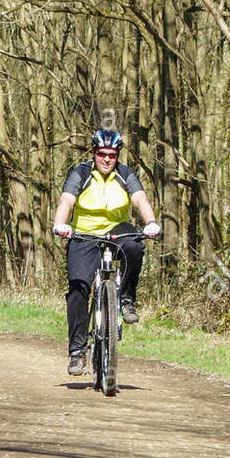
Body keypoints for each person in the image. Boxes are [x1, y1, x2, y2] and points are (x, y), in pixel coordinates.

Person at [51, 129, 160, 375]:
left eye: (112, 154)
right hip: (84, 234)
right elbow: (66, 202)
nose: (107, 159)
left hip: (116, 230)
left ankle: (127, 300)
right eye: (102, 154)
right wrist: (61, 225)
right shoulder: (80, 173)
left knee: (134, 245)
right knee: (78, 289)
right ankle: (77, 351)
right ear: (94, 153)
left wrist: (150, 222)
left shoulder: (124, 174)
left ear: (117, 155)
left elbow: (141, 199)